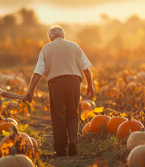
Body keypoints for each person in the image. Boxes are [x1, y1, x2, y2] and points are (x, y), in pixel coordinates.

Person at [24, 25, 94, 157]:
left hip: (56, 83)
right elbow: (86, 69)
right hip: (74, 82)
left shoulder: (46, 48)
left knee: (58, 115)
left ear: (50, 37)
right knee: (73, 112)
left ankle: (61, 149)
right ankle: (73, 140)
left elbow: (38, 72)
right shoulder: (75, 46)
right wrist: (90, 85)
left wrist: (30, 90)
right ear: (64, 35)